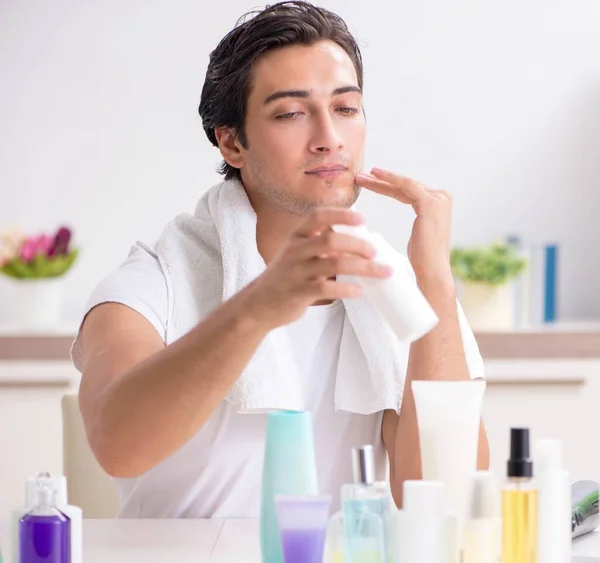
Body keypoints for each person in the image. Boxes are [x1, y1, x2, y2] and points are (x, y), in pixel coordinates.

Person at [71, 0, 489, 518]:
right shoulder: (151, 285)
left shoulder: (393, 289)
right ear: (231, 143)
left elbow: (450, 502)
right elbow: (117, 446)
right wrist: (260, 305)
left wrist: (434, 283)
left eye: (345, 108)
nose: (329, 139)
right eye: (291, 113)